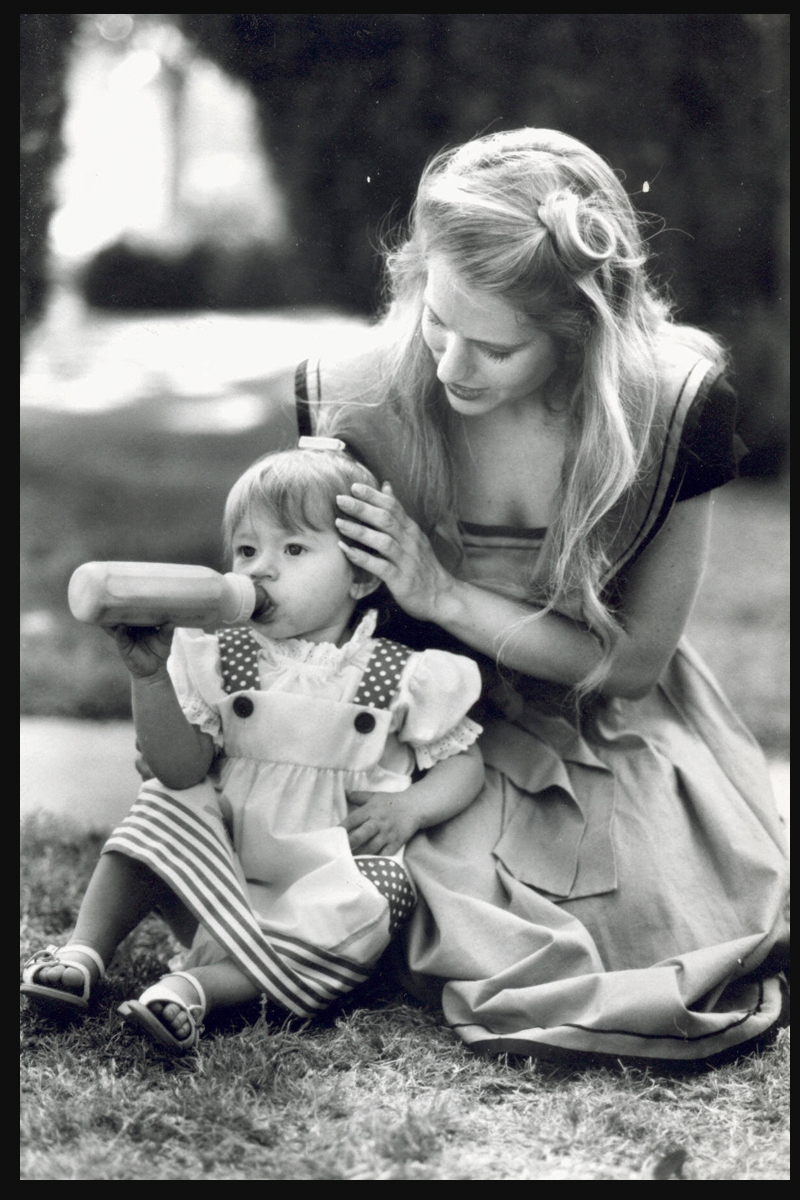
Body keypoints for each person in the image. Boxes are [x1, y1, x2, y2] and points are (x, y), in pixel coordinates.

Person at [282, 127, 788, 1066]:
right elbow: (310, 617)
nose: (450, 367)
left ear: (580, 335)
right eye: (438, 321)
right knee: (378, 882)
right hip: (420, 726)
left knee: (650, 913)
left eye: (495, 348)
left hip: (601, 717)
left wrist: (444, 593)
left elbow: (632, 668)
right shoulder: (354, 399)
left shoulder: (670, 408)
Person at [20, 446, 485, 1053]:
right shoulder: (221, 657)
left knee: (379, 892)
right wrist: (149, 677)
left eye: (292, 550)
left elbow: (464, 763)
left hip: (318, 883)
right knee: (164, 799)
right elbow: (179, 769)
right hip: (215, 870)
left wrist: (412, 808)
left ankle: (195, 990)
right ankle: (84, 951)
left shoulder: (398, 673)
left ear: (361, 576)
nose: (261, 569)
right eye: (246, 550)